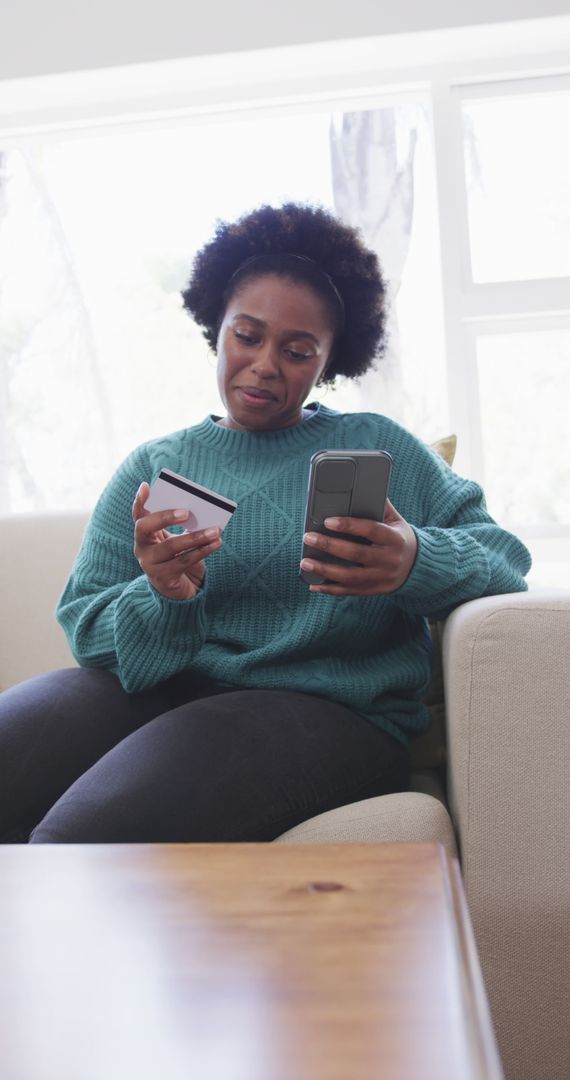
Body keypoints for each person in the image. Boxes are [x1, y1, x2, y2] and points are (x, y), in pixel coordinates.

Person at [0, 202, 531, 844]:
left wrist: (414, 559)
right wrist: (165, 595)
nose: (265, 364)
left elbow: (505, 562)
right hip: (168, 694)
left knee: (75, 842)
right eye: (247, 336)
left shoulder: (381, 447)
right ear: (216, 329)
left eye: (298, 350)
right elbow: (87, 630)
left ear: (330, 362)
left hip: (334, 715)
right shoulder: (155, 464)